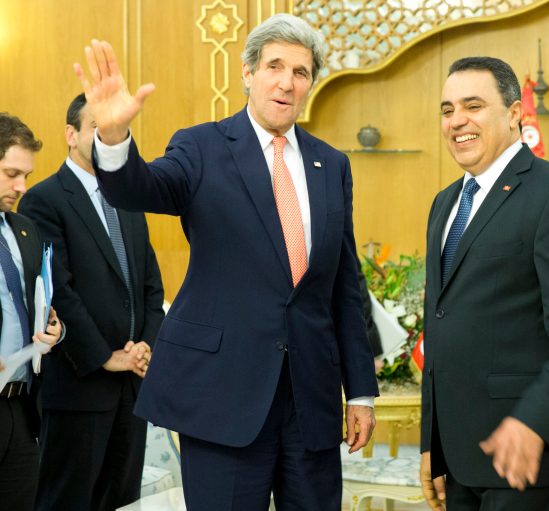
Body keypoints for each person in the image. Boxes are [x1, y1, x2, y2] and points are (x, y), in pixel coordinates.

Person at [75, 13, 378, 511]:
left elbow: (344, 284)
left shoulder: (332, 164)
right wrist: (112, 140)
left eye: (300, 72)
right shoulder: (201, 146)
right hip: (222, 397)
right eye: (274, 66)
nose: (286, 82)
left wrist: (361, 393)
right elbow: (141, 189)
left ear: (310, 84)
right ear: (248, 72)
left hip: (311, 403)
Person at [419, 56, 549, 511]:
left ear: (513, 114)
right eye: (447, 110)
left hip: (527, 457)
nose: (457, 120)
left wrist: (535, 421)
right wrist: (432, 444)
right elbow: (440, 326)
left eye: (473, 106)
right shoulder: (445, 203)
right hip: (461, 457)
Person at [18, 94, 165, 511]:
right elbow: (58, 292)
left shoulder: (128, 198)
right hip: (78, 387)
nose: (107, 138)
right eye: (98, 128)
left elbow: (151, 287)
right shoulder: (44, 200)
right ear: (71, 134)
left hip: (131, 388)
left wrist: (145, 345)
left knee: (124, 502)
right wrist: (105, 356)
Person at [0, 113, 63, 511]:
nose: (22, 187)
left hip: (21, 409)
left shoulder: (24, 230)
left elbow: (39, 303)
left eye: (26, 176)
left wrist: (55, 329)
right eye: (11, 174)